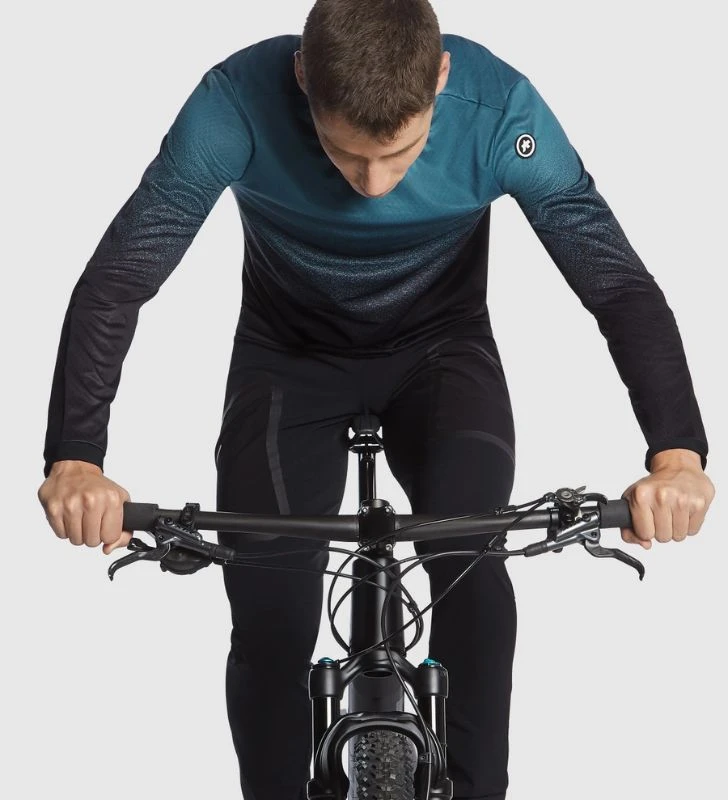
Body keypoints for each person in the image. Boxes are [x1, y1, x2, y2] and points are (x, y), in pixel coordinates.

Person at [37, 1, 715, 798]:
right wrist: (77, 459)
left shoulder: (500, 112)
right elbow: (120, 278)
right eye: (344, 153)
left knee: (470, 562)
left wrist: (677, 454)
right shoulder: (235, 104)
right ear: (302, 78)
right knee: (270, 610)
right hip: (288, 360)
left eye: (398, 154)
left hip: (442, 353)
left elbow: (617, 285)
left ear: (441, 76)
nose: (371, 185)